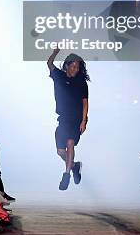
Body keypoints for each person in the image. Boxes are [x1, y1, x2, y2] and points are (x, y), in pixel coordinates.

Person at [47, 49, 89, 190]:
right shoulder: (58, 76)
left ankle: (66, 175)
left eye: (78, 67)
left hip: (76, 119)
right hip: (63, 119)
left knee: (70, 143)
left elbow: (85, 103)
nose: (75, 69)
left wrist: (83, 121)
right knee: (60, 151)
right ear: (67, 65)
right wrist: (55, 52)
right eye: (73, 66)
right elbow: (49, 63)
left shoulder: (81, 83)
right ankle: (74, 166)